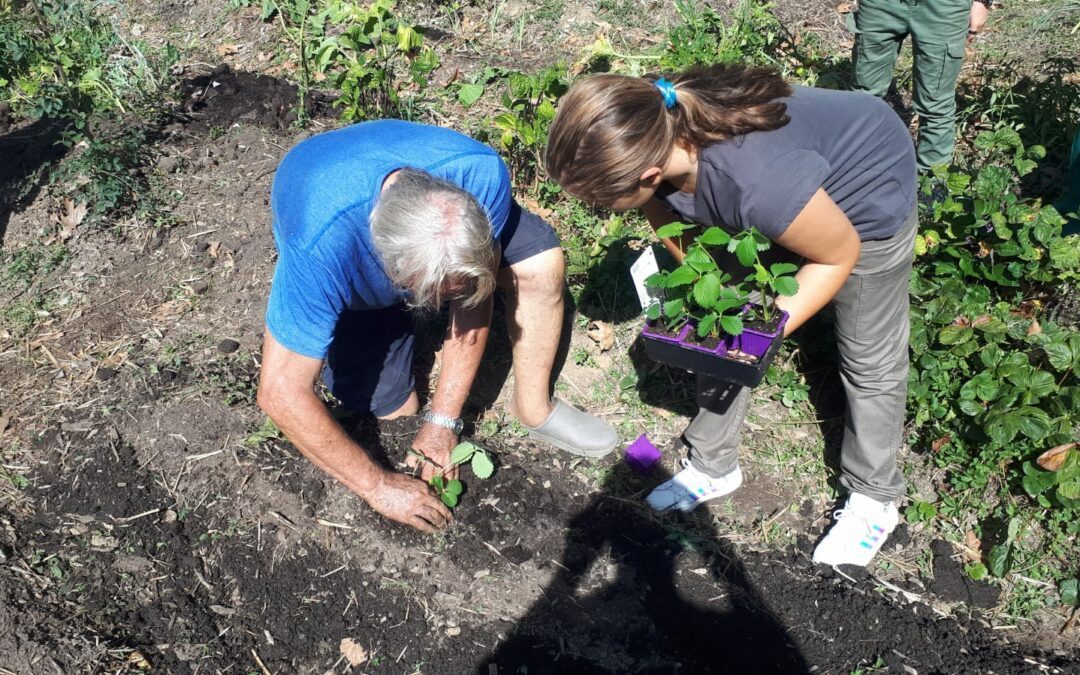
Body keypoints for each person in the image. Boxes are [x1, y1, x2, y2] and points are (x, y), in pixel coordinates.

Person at [544, 65, 917, 567]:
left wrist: (760, 331)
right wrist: (715, 294)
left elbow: (838, 255)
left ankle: (876, 496)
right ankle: (713, 463)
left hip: (866, 188)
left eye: (600, 201)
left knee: (868, 358)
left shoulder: (759, 183)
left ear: (650, 174)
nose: (598, 210)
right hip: (786, 187)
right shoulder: (647, 121)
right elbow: (665, 216)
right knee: (714, 323)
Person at [257, 120, 617, 533]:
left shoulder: (480, 176)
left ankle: (534, 407)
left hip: (436, 215)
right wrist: (378, 486)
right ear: (392, 271)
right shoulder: (321, 248)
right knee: (394, 411)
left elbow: (473, 297)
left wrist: (443, 420)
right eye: (431, 294)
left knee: (539, 266)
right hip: (335, 217)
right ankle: (385, 315)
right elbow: (280, 393)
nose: (444, 302)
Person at [848, 0, 991, 171]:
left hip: (943, 8)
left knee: (935, 101)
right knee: (862, 95)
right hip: (881, 6)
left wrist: (982, 2)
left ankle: (931, 180)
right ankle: (855, 168)